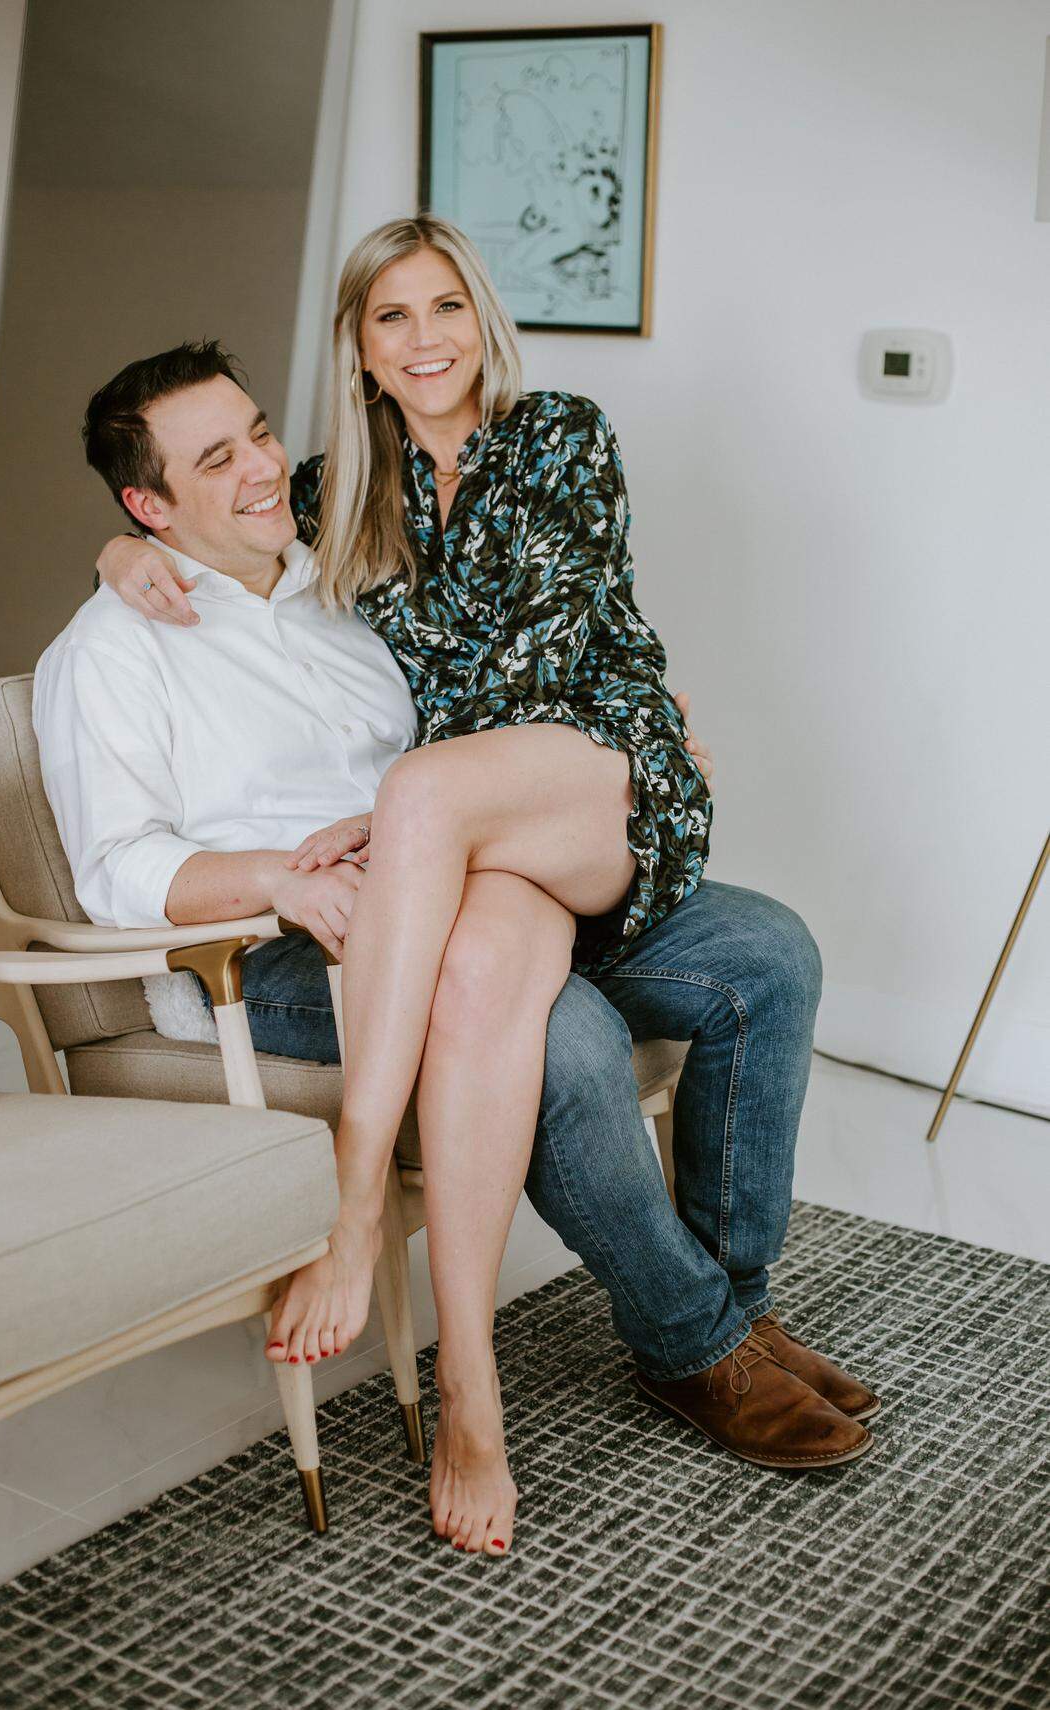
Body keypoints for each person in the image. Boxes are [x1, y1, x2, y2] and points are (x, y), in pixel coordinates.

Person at [94, 219, 878, 1554]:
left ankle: (354, 1210)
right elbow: (231, 559)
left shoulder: (560, 434)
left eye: (447, 305)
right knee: (543, 941)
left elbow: (532, 666)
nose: (427, 339)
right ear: (359, 343)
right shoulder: (339, 491)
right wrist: (122, 558)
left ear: (483, 315)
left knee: (422, 794)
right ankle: (554, 1370)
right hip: (468, 838)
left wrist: (408, 809)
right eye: (391, 317)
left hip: (594, 782)